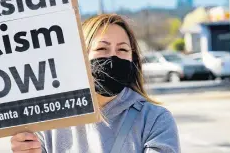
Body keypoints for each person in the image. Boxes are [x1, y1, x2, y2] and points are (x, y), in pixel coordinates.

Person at [11, 14, 180, 153]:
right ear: (80, 56)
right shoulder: (49, 123)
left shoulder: (155, 119)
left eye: (122, 50)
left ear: (133, 59)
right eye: (101, 49)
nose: (113, 58)